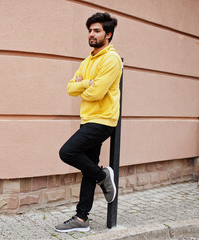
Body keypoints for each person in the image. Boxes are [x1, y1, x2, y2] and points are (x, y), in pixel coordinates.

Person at [55, 12, 122, 233]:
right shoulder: (87, 61)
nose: (91, 34)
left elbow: (95, 92)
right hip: (88, 119)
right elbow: (69, 88)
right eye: (90, 30)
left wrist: (85, 85)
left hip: (102, 120)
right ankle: (82, 219)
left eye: (97, 30)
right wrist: (86, 84)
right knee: (87, 171)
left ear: (108, 34)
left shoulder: (111, 59)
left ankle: (103, 176)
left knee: (67, 152)